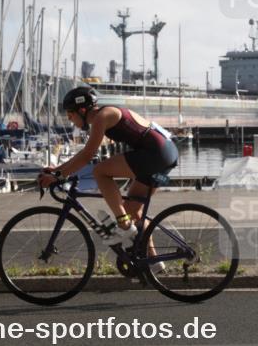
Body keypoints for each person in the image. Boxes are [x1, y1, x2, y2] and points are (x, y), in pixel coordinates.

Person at [37, 84, 178, 241]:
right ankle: (154, 263)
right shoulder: (104, 114)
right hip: (166, 153)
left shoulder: (102, 117)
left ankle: (124, 226)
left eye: (70, 116)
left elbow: (87, 156)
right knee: (133, 211)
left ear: (82, 111)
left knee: (100, 171)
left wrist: (58, 176)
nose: (70, 121)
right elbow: (85, 154)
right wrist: (57, 170)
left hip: (156, 153)